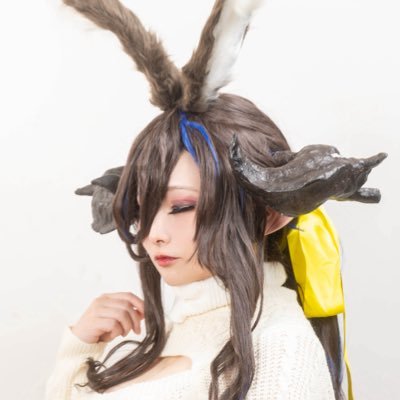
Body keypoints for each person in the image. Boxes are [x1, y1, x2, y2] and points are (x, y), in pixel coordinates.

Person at [45, 1, 387, 399]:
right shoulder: (154, 336)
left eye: (182, 206)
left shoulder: (281, 354)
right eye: (145, 207)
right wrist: (80, 348)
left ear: (270, 213)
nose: (153, 233)